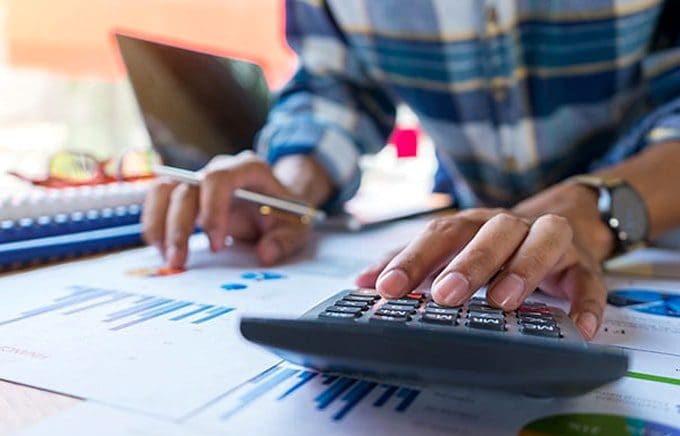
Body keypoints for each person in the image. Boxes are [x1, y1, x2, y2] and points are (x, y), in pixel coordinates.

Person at [142, 0, 680, 340]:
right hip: (464, 248)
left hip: (652, 236)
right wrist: (290, 190)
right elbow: (337, 86)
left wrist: (588, 213)